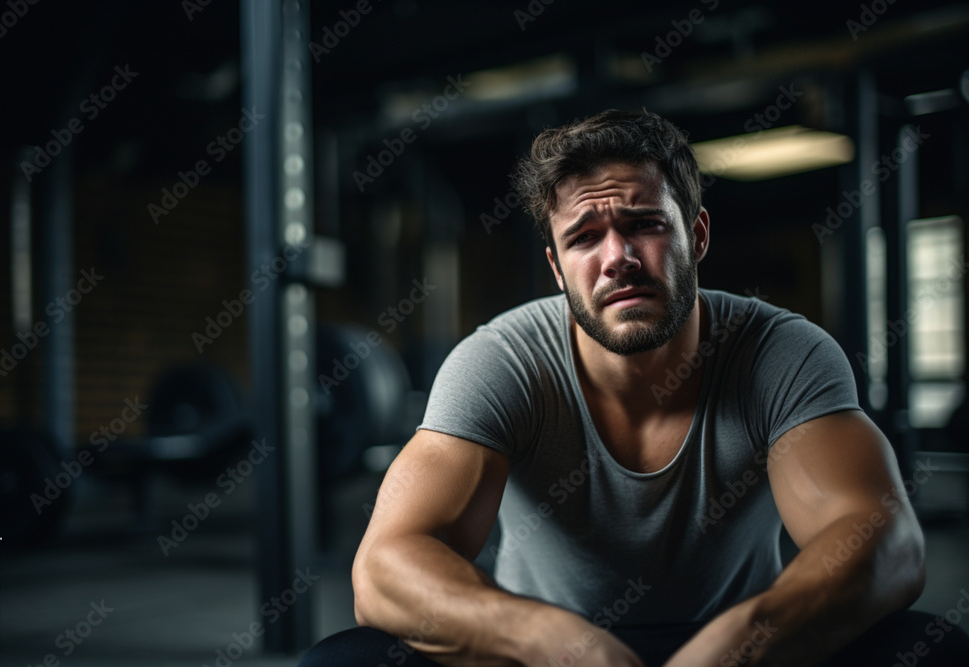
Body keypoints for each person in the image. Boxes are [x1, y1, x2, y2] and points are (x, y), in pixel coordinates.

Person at [301, 110, 969, 666]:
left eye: (644, 223)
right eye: (585, 236)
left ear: (696, 235)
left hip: (746, 654)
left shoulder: (781, 352)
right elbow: (386, 567)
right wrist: (560, 642)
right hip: (547, 657)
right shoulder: (500, 360)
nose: (616, 255)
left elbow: (885, 540)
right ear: (557, 269)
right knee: (347, 660)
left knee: (927, 647)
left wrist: (739, 642)